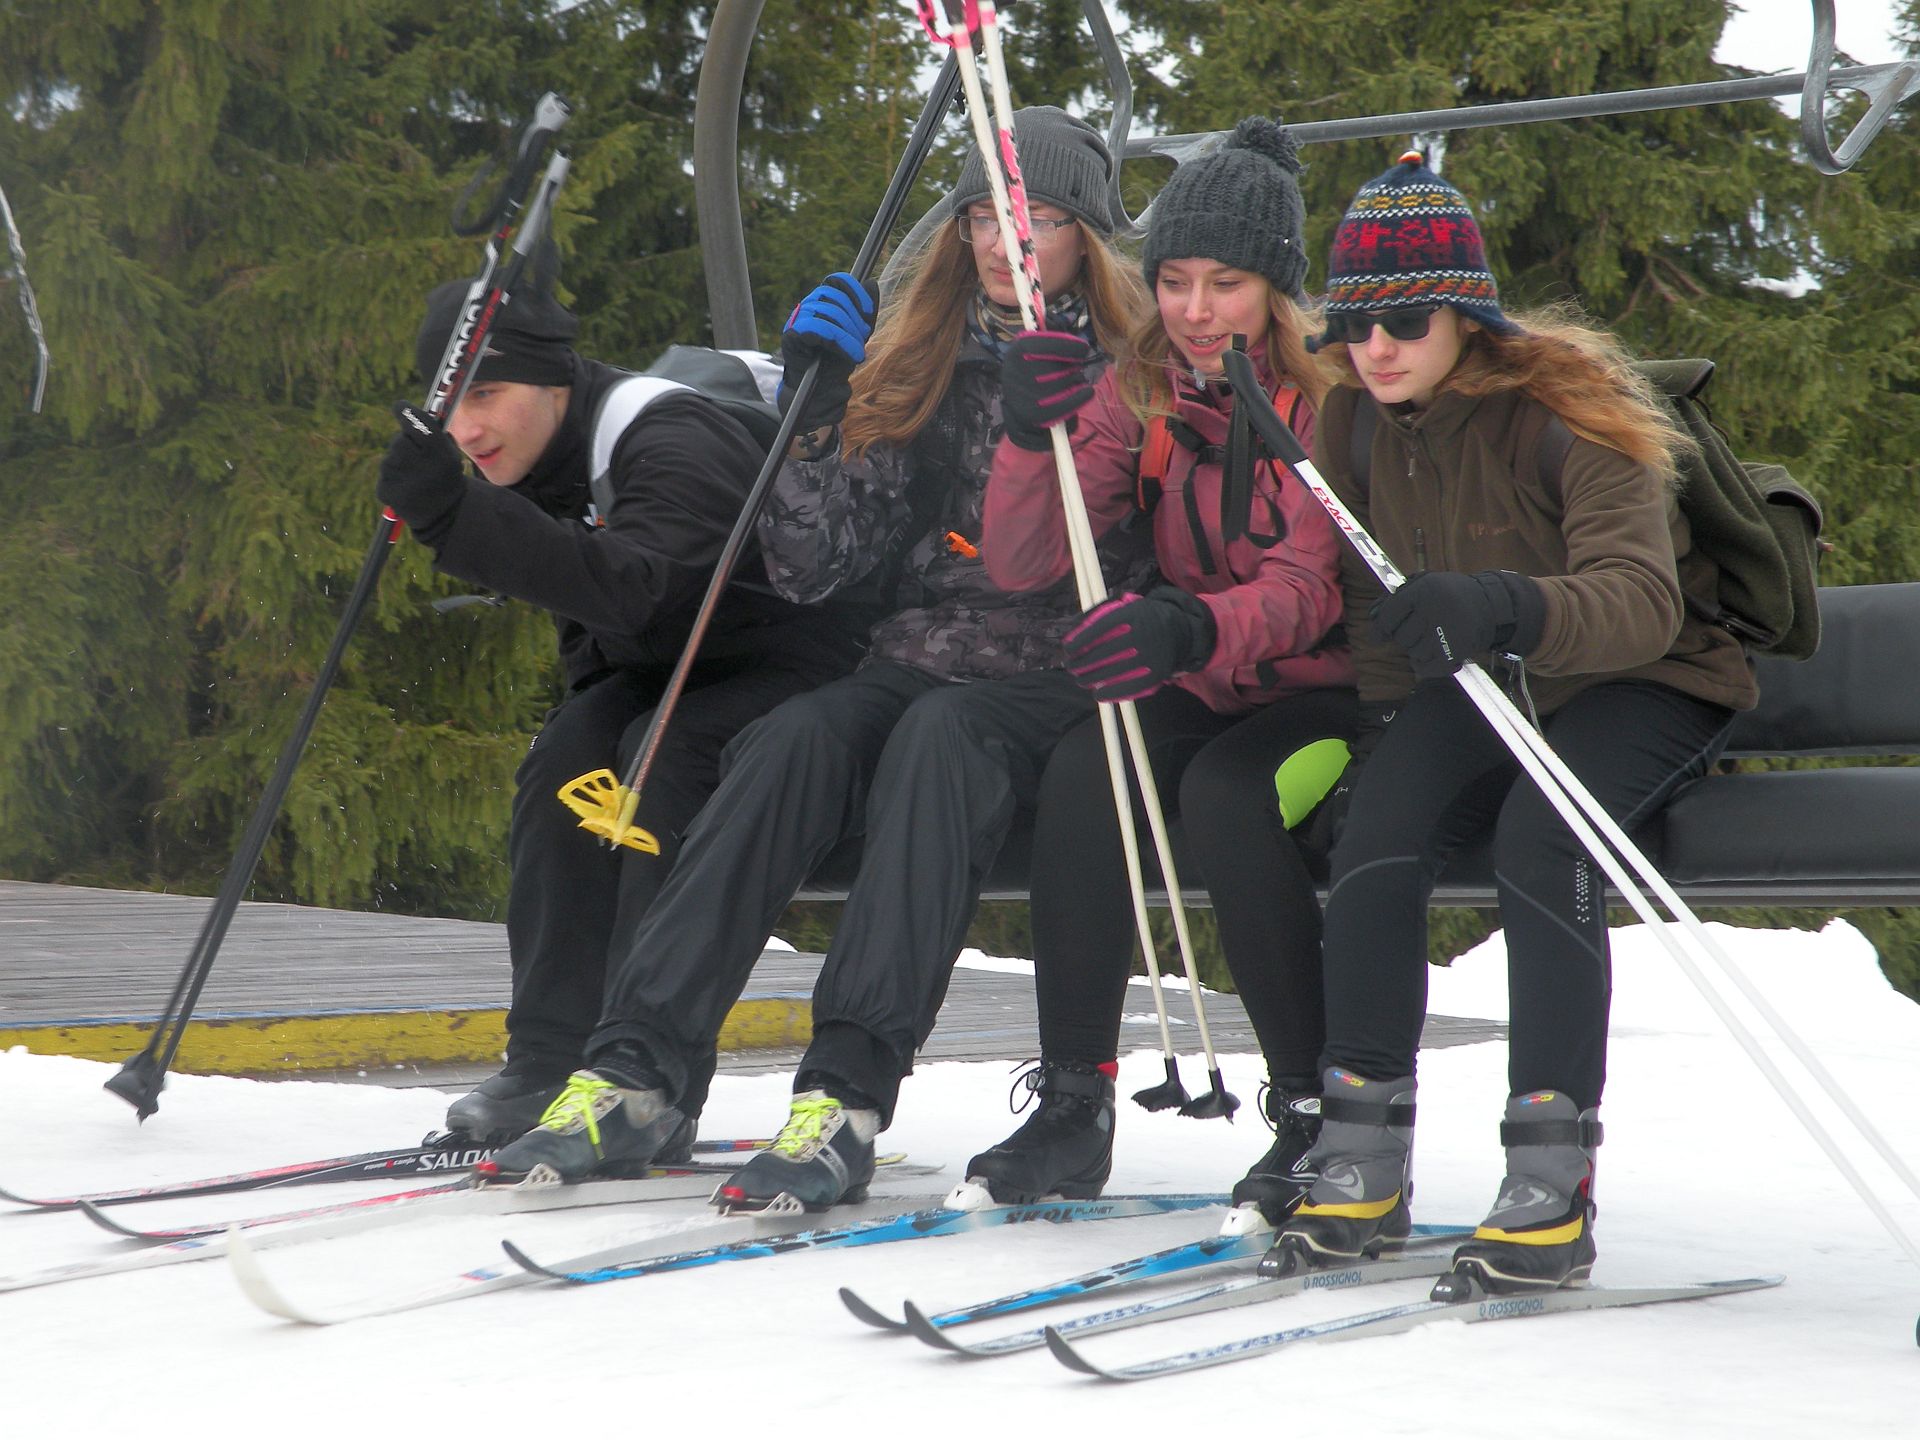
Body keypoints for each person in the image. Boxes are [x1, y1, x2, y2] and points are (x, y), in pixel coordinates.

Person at [479, 107, 1154, 1210]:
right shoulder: (927, 359)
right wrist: (812, 415)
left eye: (1036, 219)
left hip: (1059, 669)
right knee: (790, 739)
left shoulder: (1131, 368)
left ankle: (845, 1091)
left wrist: (1064, 428)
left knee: (939, 739)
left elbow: (1124, 553)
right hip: (920, 651)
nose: (1004, 242)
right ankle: (637, 1061)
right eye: (984, 216)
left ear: (1086, 233)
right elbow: (812, 565)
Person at [1272, 153, 1757, 1293]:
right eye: (1353, 325)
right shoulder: (1355, 424)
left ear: (1468, 315)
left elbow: (1642, 604)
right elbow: (1376, 606)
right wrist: (1390, 724)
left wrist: (1502, 603)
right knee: (1377, 836)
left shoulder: (1573, 414)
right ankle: (1360, 1152)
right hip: (1489, 680)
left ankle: (1550, 1176)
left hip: (1647, 678)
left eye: (1405, 321)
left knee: (1544, 842)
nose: (1375, 347)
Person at [968, 118, 1355, 1217]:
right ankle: (1074, 1101)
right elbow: (1024, 561)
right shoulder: (1139, 391)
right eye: (1175, 281)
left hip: (1326, 695)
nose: (1193, 311)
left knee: (1231, 796)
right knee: (1086, 772)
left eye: (1225, 285)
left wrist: (1186, 628)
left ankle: (1314, 1108)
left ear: (1274, 290)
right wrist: (1024, 436)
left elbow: (1310, 587)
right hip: (1205, 682)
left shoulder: (1324, 402)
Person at [377, 283, 869, 1145]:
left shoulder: (668, 435)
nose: (467, 430)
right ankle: (547, 1060)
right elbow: (595, 634)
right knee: (568, 758)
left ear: (554, 381)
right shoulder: (538, 455)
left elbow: (633, 588)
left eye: (487, 395)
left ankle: (651, 1077)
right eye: (452, 404)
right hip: (682, 663)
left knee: (659, 765)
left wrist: (455, 515)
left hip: (811, 656)